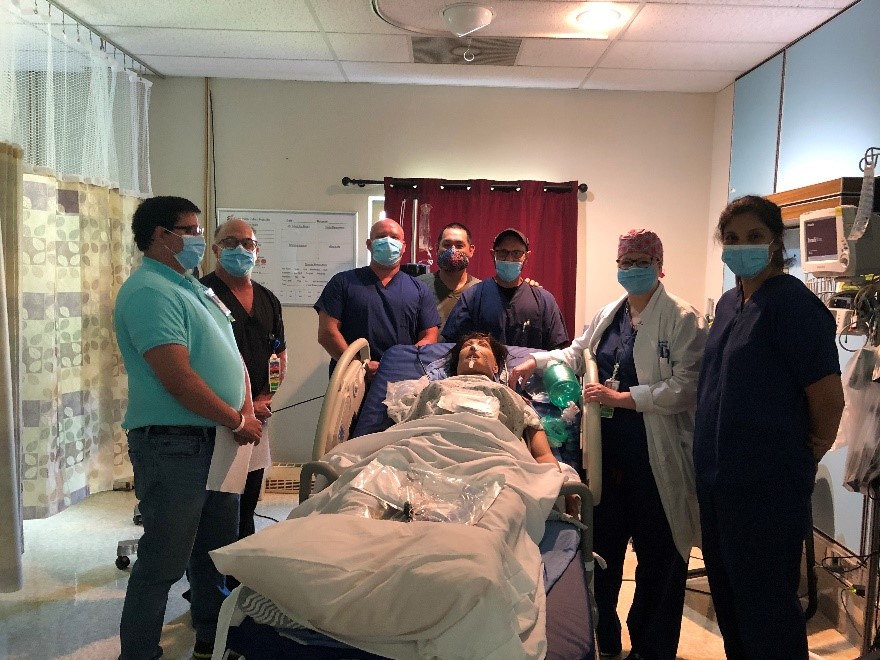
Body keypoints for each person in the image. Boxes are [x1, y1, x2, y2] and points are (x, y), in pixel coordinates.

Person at [509, 229, 707, 660]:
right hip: (605, 460)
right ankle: (606, 633)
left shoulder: (683, 317)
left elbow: (687, 386)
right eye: (626, 262)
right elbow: (577, 354)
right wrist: (535, 361)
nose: (633, 269)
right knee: (603, 558)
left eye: (641, 261)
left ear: (659, 266)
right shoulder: (607, 314)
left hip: (657, 459)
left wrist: (624, 399)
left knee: (659, 561)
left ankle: (651, 649)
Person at [693, 196, 845, 660]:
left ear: (777, 242)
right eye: (733, 239)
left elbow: (828, 400)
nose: (742, 247)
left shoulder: (793, 307)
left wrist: (807, 452)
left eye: (754, 237)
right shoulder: (728, 304)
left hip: (766, 486)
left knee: (767, 608)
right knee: (731, 600)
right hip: (719, 484)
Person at [114, 196, 263, 660]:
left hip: (215, 439)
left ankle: (210, 639)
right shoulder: (148, 292)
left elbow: (224, 356)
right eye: (191, 230)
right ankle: (139, 654)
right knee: (163, 560)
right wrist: (237, 417)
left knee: (213, 553)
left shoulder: (189, 286)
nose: (199, 240)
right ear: (160, 236)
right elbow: (178, 379)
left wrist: (243, 412)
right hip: (175, 442)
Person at [200, 218, 287, 541]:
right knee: (218, 506)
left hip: (256, 417)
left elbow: (279, 357)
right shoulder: (203, 297)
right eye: (231, 243)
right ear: (215, 249)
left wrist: (265, 398)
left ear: (257, 251)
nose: (240, 249)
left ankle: (238, 577)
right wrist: (237, 414)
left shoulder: (268, 300)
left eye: (247, 243)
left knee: (248, 500)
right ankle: (209, 585)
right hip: (217, 418)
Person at [315, 218, 440, 381]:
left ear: (403, 247)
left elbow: (430, 338)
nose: (388, 241)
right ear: (369, 244)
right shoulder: (343, 282)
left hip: (402, 380)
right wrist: (359, 367)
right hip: (352, 381)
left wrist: (398, 365)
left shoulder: (419, 289)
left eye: (394, 237)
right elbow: (327, 333)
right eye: (381, 236)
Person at [442, 228, 568, 350]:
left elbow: (556, 352)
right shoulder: (472, 297)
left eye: (517, 253)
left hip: (530, 372)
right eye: (503, 252)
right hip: (482, 371)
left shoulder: (544, 301)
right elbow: (453, 347)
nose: (509, 259)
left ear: (526, 257)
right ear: (493, 254)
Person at [417, 222, 480, 327]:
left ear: (471, 250)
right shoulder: (419, 286)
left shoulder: (480, 290)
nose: (453, 251)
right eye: (447, 245)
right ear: (437, 248)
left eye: (459, 245)